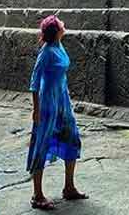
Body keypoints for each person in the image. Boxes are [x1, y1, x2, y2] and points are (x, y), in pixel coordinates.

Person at [27, 14, 87, 211]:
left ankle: (69, 187)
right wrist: (36, 109)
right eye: (61, 23)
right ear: (56, 30)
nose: (64, 23)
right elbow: (34, 82)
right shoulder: (46, 53)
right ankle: (37, 195)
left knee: (72, 138)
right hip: (47, 102)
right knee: (42, 143)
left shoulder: (59, 46)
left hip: (62, 100)